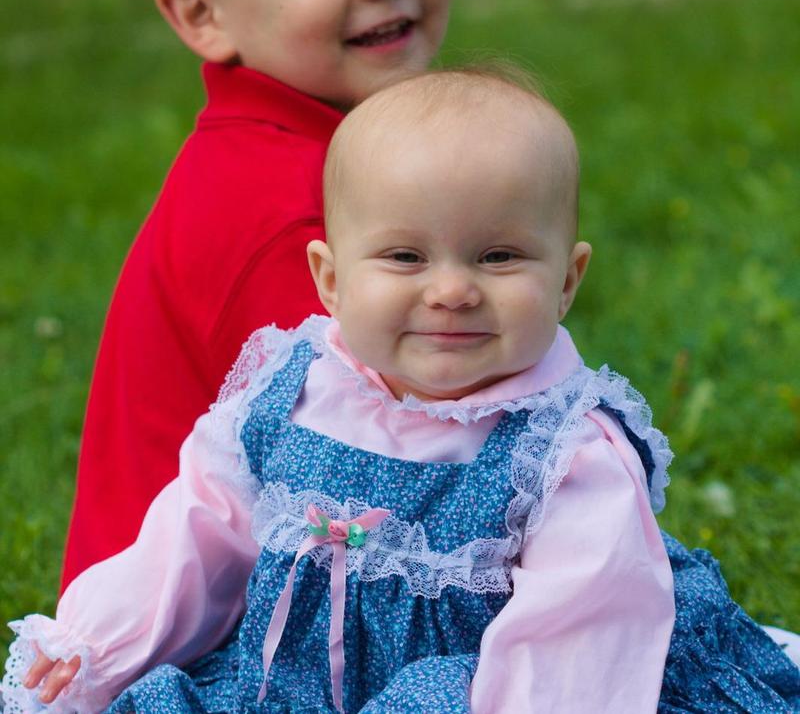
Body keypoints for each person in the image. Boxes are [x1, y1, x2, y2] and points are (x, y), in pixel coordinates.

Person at [6, 70, 799, 713]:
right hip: (294, 688)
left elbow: (578, 628)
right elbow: (200, 530)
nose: (451, 289)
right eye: (405, 256)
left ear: (567, 280)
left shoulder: (566, 450)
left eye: (497, 256)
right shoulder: (291, 391)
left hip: (486, 687)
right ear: (330, 278)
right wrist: (97, 641)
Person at [60, 0, 453, 589]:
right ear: (203, 13)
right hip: (200, 619)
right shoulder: (278, 205)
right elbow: (364, 445)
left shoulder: (338, 152)